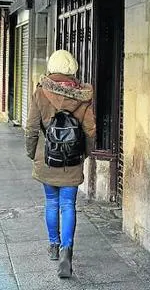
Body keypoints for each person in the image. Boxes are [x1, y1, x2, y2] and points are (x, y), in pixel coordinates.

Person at [25, 50, 96, 278]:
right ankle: (67, 249)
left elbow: (32, 129)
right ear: (73, 69)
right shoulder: (82, 95)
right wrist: (84, 153)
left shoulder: (40, 93)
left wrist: (31, 152)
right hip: (72, 160)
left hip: (47, 158)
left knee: (51, 202)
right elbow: (90, 130)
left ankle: (54, 246)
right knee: (68, 205)